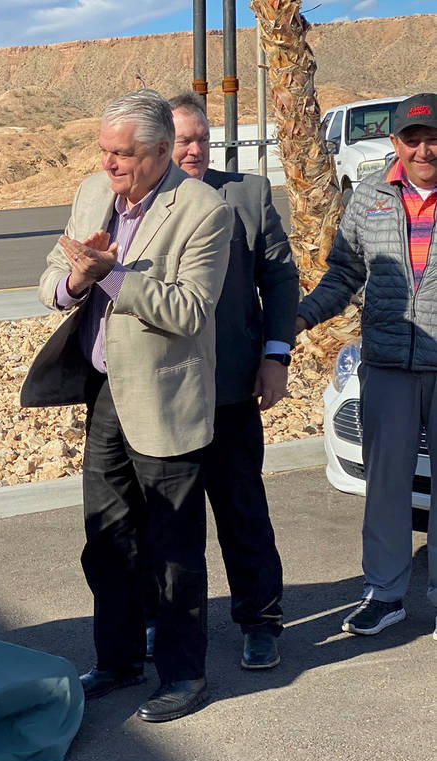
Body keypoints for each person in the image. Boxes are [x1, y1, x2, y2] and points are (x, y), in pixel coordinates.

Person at [21, 89, 232, 722]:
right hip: (105, 392)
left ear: (162, 151)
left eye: (124, 154)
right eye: (105, 151)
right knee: (106, 537)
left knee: (172, 546)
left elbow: (191, 311)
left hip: (166, 398)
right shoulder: (93, 191)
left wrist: (112, 275)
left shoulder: (203, 210)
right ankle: (117, 661)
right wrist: (76, 279)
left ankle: (183, 675)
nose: (110, 164)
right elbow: (49, 281)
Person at [147, 92, 299, 670]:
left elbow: (281, 280)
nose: (193, 149)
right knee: (166, 519)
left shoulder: (249, 196)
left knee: (242, 511)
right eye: (182, 140)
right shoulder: (141, 204)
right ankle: (167, 625)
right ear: (160, 144)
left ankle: (260, 621)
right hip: (165, 394)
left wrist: (276, 355)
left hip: (232, 389)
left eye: (201, 139)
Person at [297, 93, 437, 636]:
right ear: (396, 142)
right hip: (388, 366)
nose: (424, 148)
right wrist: (301, 318)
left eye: (433, 137)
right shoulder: (371, 197)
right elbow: (342, 274)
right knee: (385, 488)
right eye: (413, 138)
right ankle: (385, 594)